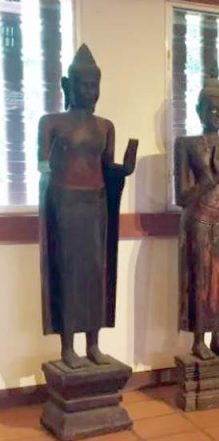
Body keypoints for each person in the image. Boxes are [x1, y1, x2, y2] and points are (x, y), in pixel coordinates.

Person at [38, 44, 137, 369]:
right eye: (83, 85)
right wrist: (48, 169)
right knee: (68, 273)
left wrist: (123, 169)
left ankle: (93, 343)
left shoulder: (105, 126)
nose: (90, 92)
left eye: (95, 86)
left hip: (95, 204)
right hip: (65, 203)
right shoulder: (52, 123)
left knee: (95, 273)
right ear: (67, 86)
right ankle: (68, 346)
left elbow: (107, 168)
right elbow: (43, 165)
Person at [174, 70, 219, 360]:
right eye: (212, 109)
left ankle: (218, 338)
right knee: (201, 281)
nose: (217, 115)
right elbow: (181, 197)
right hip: (199, 221)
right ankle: (198, 340)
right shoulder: (187, 145)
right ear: (198, 110)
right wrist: (209, 179)